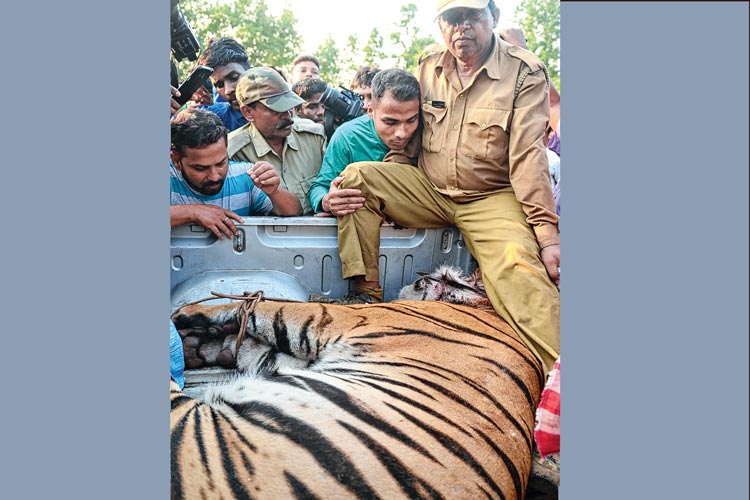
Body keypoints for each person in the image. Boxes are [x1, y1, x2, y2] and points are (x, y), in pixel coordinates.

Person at [334, 0, 560, 374]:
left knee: (519, 269)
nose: (463, 28)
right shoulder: (428, 65)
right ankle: (365, 297)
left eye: (473, 16)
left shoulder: (525, 73)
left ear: (494, 18)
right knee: (356, 177)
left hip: (490, 197)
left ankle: (559, 372)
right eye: (453, 19)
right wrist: (393, 181)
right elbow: (412, 137)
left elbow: (527, 158)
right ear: (440, 24)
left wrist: (547, 235)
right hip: (430, 187)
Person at [170, 108, 302, 239]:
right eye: (200, 168)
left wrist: (275, 192)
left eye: (221, 163)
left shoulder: (246, 176)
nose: (215, 176)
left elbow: (294, 213)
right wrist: (191, 212)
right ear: (176, 159)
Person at [308, 68, 420, 216]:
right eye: (390, 122)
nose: (402, 133)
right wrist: (327, 201)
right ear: (371, 111)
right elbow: (320, 186)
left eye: (411, 120)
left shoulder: (429, 130)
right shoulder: (347, 136)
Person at [228, 67, 327, 216]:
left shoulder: (314, 136)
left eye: (289, 106)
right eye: (276, 109)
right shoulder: (232, 151)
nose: (287, 116)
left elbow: (331, 183)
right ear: (248, 112)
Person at [194, 37, 252, 131]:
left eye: (233, 78)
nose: (228, 90)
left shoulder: (279, 108)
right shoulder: (215, 116)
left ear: (251, 72)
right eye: (219, 85)